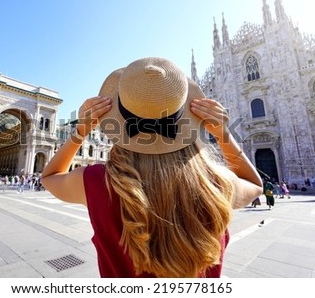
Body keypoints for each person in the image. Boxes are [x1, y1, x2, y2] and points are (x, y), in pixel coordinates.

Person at [41, 57, 263, 278]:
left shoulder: (99, 182)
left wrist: (81, 130)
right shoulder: (214, 183)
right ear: (186, 118)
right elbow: (255, 184)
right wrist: (223, 134)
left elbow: (49, 177)